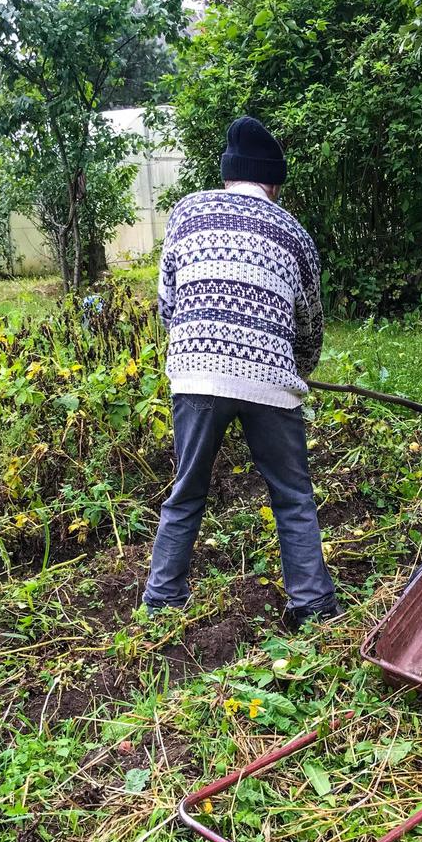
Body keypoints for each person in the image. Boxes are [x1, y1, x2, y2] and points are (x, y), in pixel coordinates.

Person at [143, 116, 340, 629]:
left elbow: (168, 305)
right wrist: (297, 369)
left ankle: (162, 601)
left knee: (186, 490)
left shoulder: (186, 213)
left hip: (196, 375)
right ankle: (313, 607)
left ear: (229, 174)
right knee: (293, 497)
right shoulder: (293, 233)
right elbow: (309, 324)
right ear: (272, 181)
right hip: (271, 382)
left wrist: (199, 352)